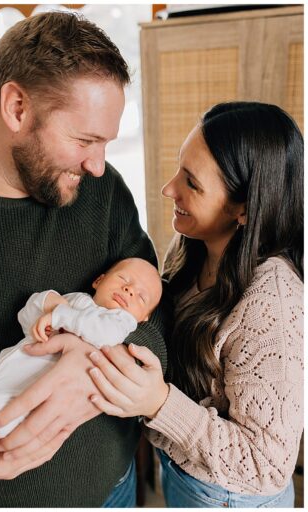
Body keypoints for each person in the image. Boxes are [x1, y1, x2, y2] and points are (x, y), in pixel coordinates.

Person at [0, 11, 168, 507]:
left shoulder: (103, 192)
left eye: (105, 143)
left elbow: (157, 320)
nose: (97, 164)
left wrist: (95, 363)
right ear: (16, 106)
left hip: (112, 490)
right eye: (85, 140)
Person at [86, 102, 303, 508]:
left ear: (243, 209)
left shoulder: (274, 306)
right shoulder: (195, 248)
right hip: (185, 475)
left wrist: (159, 403)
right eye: (177, 168)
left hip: (229, 498)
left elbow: (268, 466)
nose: (169, 189)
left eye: (192, 183)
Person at [0, 258, 163, 458]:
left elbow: (104, 333)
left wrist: (60, 315)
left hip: (21, 393)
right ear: (99, 280)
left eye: (141, 297)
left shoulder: (120, 322)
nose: (129, 290)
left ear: (142, 319)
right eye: (123, 278)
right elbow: (27, 319)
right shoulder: (76, 300)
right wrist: (47, 301)